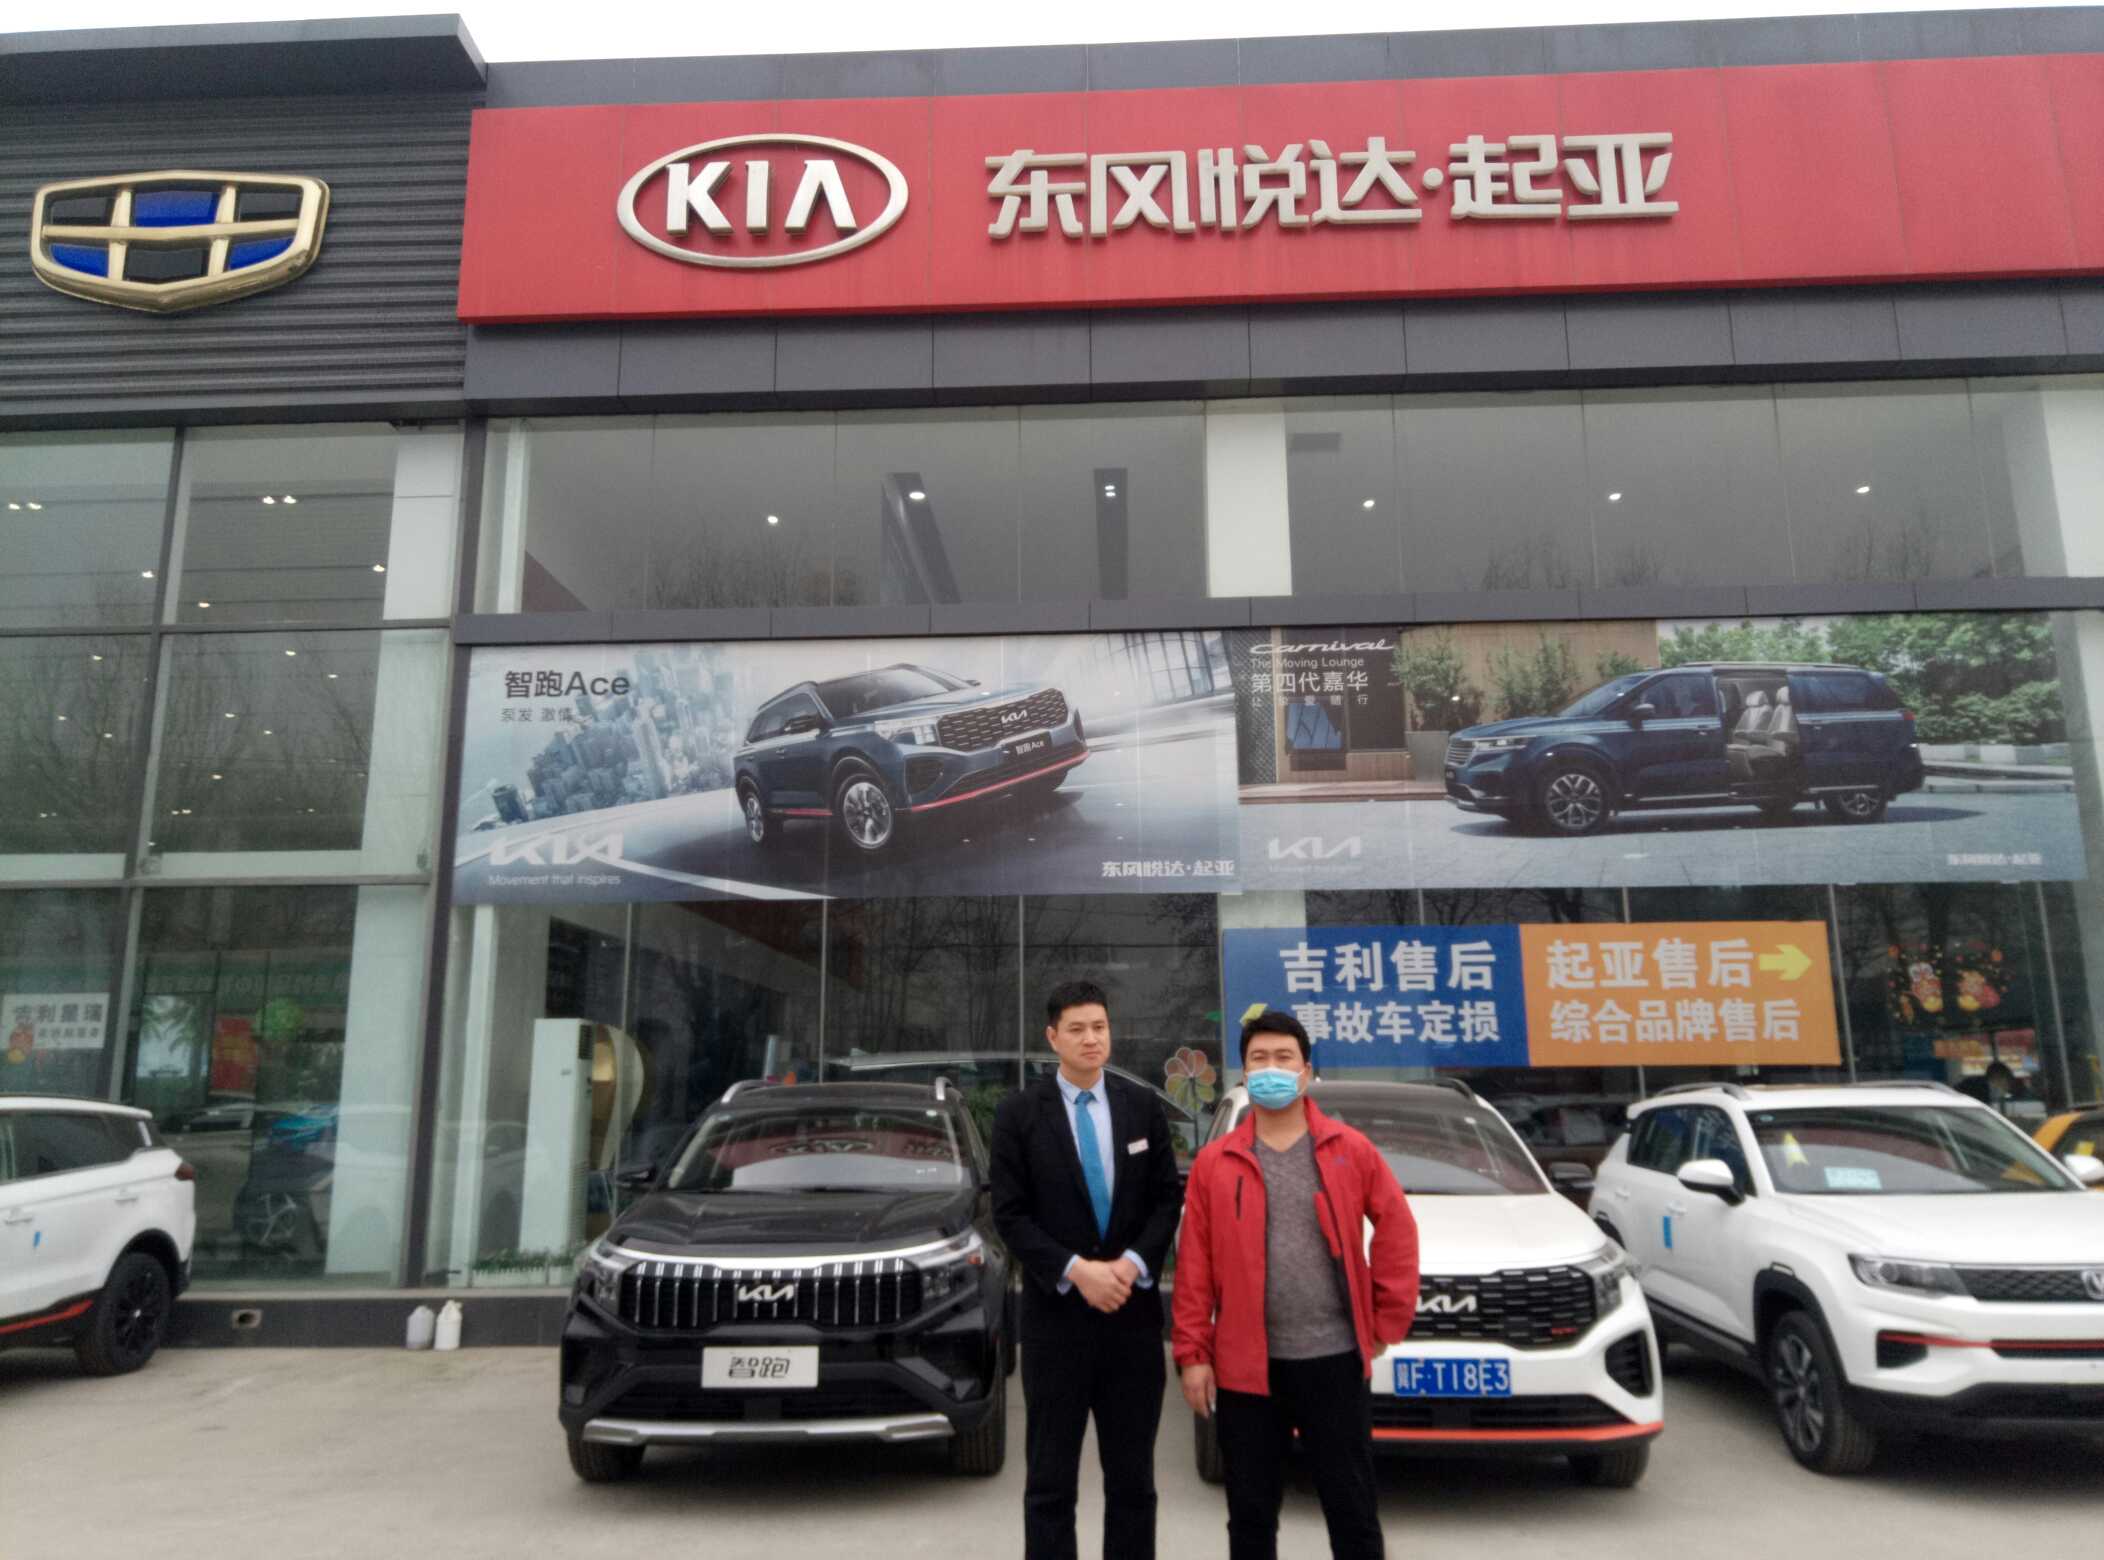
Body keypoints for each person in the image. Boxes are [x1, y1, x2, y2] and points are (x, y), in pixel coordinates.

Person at [1172, 1011, 1419, 1560]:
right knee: (1251, 1518)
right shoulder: (1216, 1163)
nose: (1272, 1069)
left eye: (1284, 1058)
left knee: (1353, 1513)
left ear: (1306, 1071)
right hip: (1245, 1371)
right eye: (1259, 1059)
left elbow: (1397, 1227)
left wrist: (1386, 1320)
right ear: (1244, 1075)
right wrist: (1193, 1355)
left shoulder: (1348, 1149)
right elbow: (1193, 1267)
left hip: (1334, 1361)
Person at [991, 980, 1185, 1560]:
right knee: (1050, 1484)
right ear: (1053, 1037)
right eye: (1076, 1029)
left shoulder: (1141, 1106)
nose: (1090, 1039)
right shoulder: (1019, 1114)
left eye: (1099, 1027)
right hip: (1056, 1328)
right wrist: (1077, 1270)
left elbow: (1166, 1200)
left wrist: (1131, 1264)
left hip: (1132, 1323)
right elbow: (1010, 1214)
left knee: (1134, 1483)